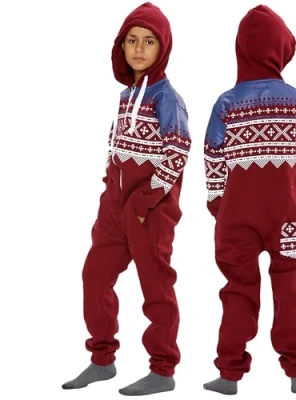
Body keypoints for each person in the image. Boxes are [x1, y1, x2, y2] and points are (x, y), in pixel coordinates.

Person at [62, 2, 191, 396]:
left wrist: (145, 200)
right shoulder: (125, 95)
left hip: (150, 211)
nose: (139, 48)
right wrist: (110, 188)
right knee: (94, 275)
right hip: (115, 208)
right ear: (121, 46)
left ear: (163, 48)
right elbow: (115, 143)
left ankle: (163, 369)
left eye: (149, 42)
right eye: (132, 40)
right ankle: (102, 360)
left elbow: (178, 151)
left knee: (156, 287)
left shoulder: (167, 98)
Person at [202, 4, 296, 395]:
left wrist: (219, 205)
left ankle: (228, 374)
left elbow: (212, 158)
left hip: (236, 217)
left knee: (237, 289)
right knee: (291, 289)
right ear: (281, 49)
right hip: (289, 214)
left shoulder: (225, 104)